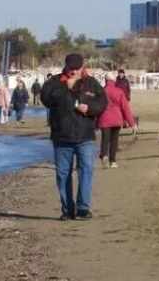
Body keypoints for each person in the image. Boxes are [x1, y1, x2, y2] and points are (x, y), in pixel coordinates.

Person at [40, 54, 107, 220]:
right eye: (70, 68)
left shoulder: (91, 83)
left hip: (85, 136)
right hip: (61, 136)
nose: (73, 71)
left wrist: (89, 108)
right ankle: (67, 210)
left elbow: (102, 103)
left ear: (82, 66)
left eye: (76, 68)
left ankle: (83, 208)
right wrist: (67, 89)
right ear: (66, 66)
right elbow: (46, 99)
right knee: (63, 175)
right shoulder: (54, 83)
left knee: (86, 171)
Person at [96, 73, 135, 168]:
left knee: (105, 139)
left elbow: (97, 107)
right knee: (114, 141)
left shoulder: (101, 91)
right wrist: (132, 123)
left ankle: (104, 154)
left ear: (105, 80)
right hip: (117, 118)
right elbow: (125, 108)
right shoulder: (119, 91)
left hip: (104, 119)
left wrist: (95, 122)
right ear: (114, 80)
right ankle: (112, 161)